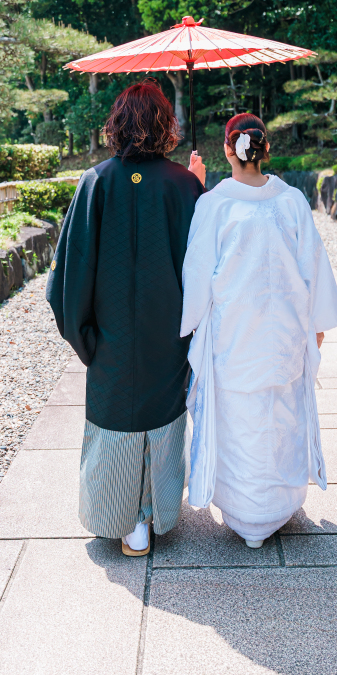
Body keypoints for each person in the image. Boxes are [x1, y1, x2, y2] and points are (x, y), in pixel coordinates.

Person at [47, 79, 205, 556]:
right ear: (164, 126)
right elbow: (203, 270)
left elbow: (67, 279)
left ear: (117, 124)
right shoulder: (183, 185)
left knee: (116, 417)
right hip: (168, 335)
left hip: (110, 338)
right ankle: (155, 513)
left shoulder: (95, 181)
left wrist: (85, 338)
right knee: (161, 413)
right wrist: (197, 185)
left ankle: (124, 519)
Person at [180, 112, 337, 548]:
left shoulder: (213, 204)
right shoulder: (290, 200)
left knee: (241, 421)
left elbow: (196, 276)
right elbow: (314, 267)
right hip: (285, 337)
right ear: (265, 149)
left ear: (228, 150)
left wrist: (186, 325)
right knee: (281, 415)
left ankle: (244, 511)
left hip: (234, 338)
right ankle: (277, 506)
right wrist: (317, 326)